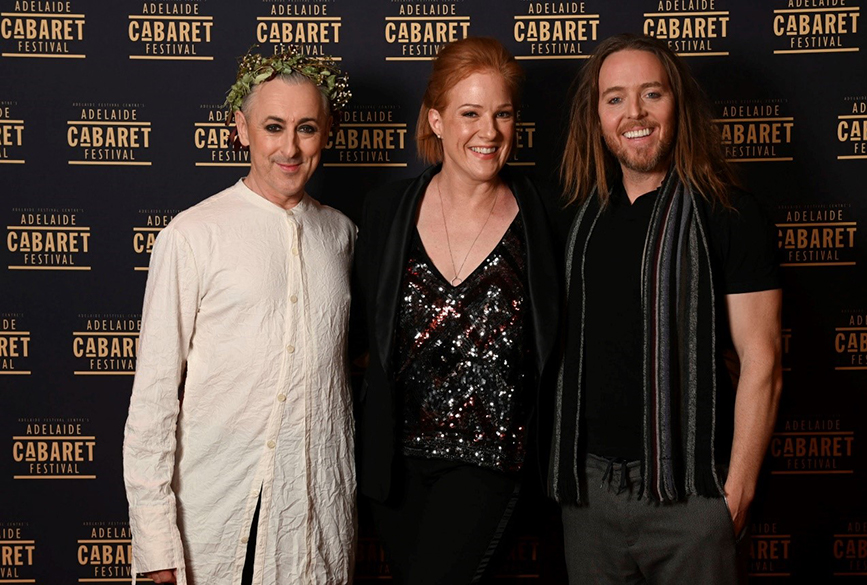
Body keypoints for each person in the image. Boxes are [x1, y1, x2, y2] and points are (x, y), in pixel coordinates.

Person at [550, 34, 783, 584]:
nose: (634, 113)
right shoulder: (575, 219)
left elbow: (763, 361)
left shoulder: (729, 212)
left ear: (677, 104)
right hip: (588, 497)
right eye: (615, 99)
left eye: (651, 94)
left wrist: (737, 493)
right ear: (597, 115)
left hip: (693, 497)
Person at [122, 49, 356, 585]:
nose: (290, 147)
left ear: (327, 133)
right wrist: (156, 545)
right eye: (273, 127)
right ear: (242, 129)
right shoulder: (191, 235)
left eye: (306, 128)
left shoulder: (343, 235)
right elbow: (154, 399)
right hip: (216, 518)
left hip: (316, 519)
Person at [354, 37, 561, 584]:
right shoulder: (386, 211)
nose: (488, 132)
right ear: (437, 120)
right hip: (396, 470)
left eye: (502, 114)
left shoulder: (546, 217)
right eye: (470, 113)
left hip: (494, 463)